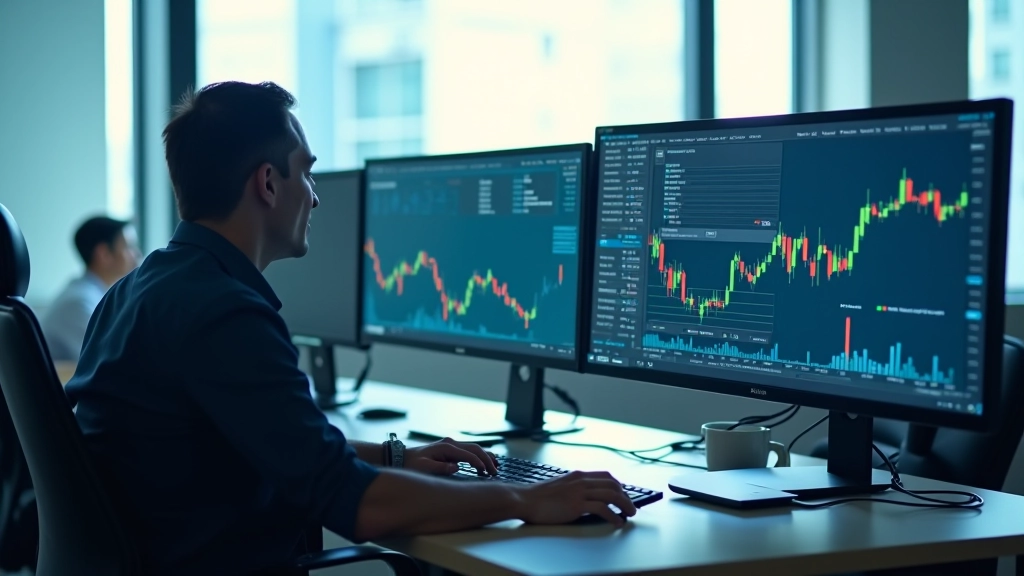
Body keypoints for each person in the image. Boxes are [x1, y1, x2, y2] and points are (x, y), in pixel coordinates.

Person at [64, 81, 634, 576]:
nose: (314, 198)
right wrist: (524, 498)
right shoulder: (224, 314)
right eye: (307, 173)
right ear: (268, 184)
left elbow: (276, 445)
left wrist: (395, 456)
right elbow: (357, 505)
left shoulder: (134, 292)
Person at [40, 216, 140, 362]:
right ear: (104, 254)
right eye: (128, 247)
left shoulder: (92, 295)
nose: (137, 254)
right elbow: (108, 362)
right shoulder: (79, 303)